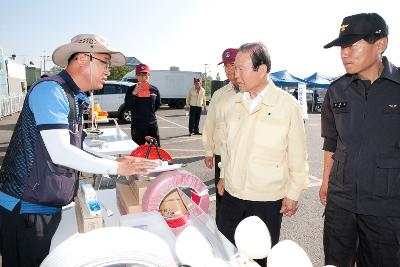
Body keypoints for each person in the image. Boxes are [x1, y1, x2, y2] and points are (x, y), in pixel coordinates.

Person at [0, 34, 156, 267]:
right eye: (105, 62)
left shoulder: (72, 95)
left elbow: (77, 146)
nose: (108, 70)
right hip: (26, 209)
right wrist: (116, 167)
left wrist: (111, 158)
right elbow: (61, 152)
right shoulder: (51, 91)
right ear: (83, 58)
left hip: (43, 205)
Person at [217, 42, 309, 266]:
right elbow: (227, 147)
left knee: (258, 257)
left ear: (261, 69)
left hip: (266, 200)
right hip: (231, 195)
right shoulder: (233, 104)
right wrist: (223, 175)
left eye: (241, 69)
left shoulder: (288, 106)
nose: (235, 75)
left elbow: (298, 155)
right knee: (226, 252)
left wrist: (293, 193)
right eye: (234, 68)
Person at [320, 13, 400, 267]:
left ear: (380, 44)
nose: (344, 53)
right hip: (340, 205)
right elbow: (331, 142)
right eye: (342, 47)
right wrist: (325, 184)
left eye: (352, 45)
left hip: (386, 208)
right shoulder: (336, 90)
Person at [202, 48, 240, 222]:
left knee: (241, 202)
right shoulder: (218, 95)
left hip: (243, 156)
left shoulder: (250, 92)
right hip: (221, 156)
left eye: (232, 64)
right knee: (222, 199)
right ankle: (222, 236)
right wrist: (208, 151)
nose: (228, 69)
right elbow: (210, 125)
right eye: (225, 66)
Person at [124, 63, 161, 146]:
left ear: (149, 75)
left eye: (145, 74)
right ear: (136, 76)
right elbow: (127, 106)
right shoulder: (131, 90)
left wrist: (150, 114)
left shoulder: (154, 90)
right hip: (138, 125)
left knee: (156, 149)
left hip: (152, 125)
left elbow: (157, 105)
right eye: (140, 75)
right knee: (138, 150)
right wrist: (134, 94)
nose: (144, 77)